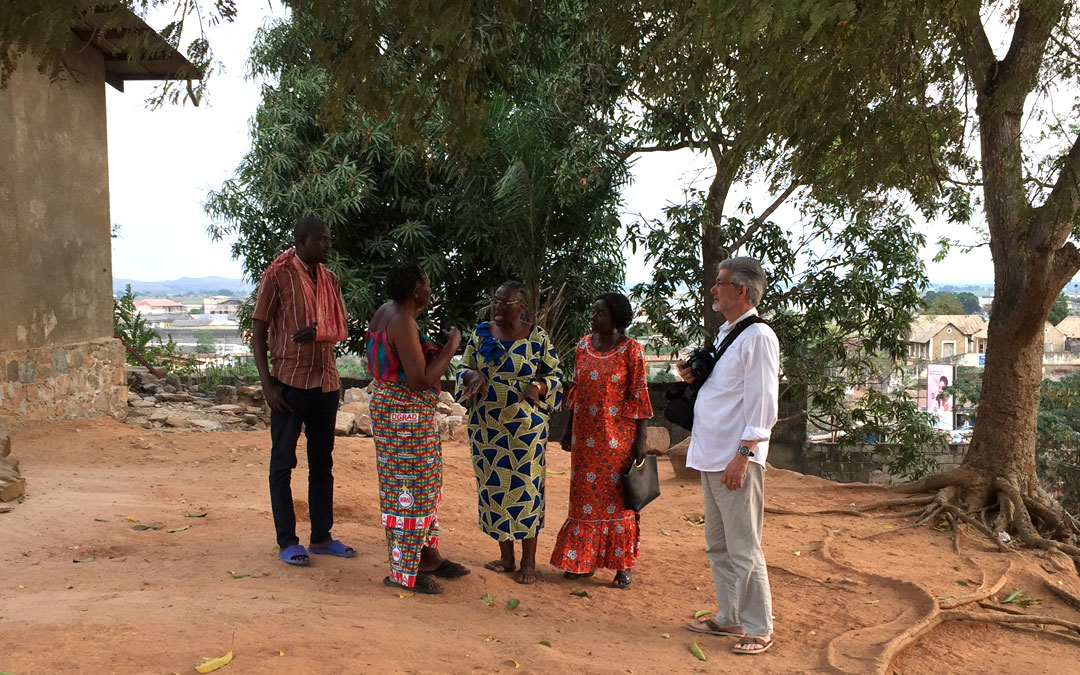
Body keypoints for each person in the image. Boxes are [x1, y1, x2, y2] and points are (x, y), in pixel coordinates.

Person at [683, 257, 779, 656]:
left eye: (720, 282)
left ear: (741, 290)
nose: (713, 289)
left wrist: (743, 455)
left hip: (734, 456)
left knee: (744, 546)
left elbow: (763, 404)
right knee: (718, 545)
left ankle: (759, 627)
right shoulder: (729, 334)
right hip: (711, 453)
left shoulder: (758, 337)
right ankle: (730, 616)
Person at [251, 217, 356, 566]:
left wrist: (319, 332)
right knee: (283, 461)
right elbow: (259, 328)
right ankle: (287, 541)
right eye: (321, 239)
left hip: (325, 382)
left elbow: (340, 327)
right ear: (301, 240)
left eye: (329, 239)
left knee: (321, 462)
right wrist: (267, 384)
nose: (328, 244)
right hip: (289, 381)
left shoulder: (331, 280)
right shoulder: (277, 275)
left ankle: (322, 537)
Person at [366, 262, 470, 594]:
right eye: (426, 283)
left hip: (393, 411)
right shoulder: (401, 321)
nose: (430, 289)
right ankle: (403, 570)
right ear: (416, 290)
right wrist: (453, 346)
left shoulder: (387, 312)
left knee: (420, 483)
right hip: (404, 416)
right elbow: (419, 380)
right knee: (409, 489)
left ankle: (427, 557)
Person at [456, 281, 564, 585]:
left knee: (526, 490)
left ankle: (528, 563)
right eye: (496, 301)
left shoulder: (537, 337)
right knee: (494, 487)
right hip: (487, 427)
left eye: (506, 302)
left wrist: (540, 387)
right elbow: (462, 368)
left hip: (526, 428)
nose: (499, 307)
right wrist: (471, 374)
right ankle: (506, 556)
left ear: (521, 306)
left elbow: (555, 374)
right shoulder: (481, 334)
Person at [549, 292, 652, 589]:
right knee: (583, 501)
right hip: (585, 440)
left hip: (617, 441)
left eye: (600, 313)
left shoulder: (631, 350)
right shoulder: (583, 346)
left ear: (616, 319)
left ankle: (622, 566)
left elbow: (639, 396)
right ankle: (583, 561)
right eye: (593, 312)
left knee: (619, 502)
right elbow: (577, 390)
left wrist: (640, 441)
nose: (593, 317)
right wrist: (568, 430)